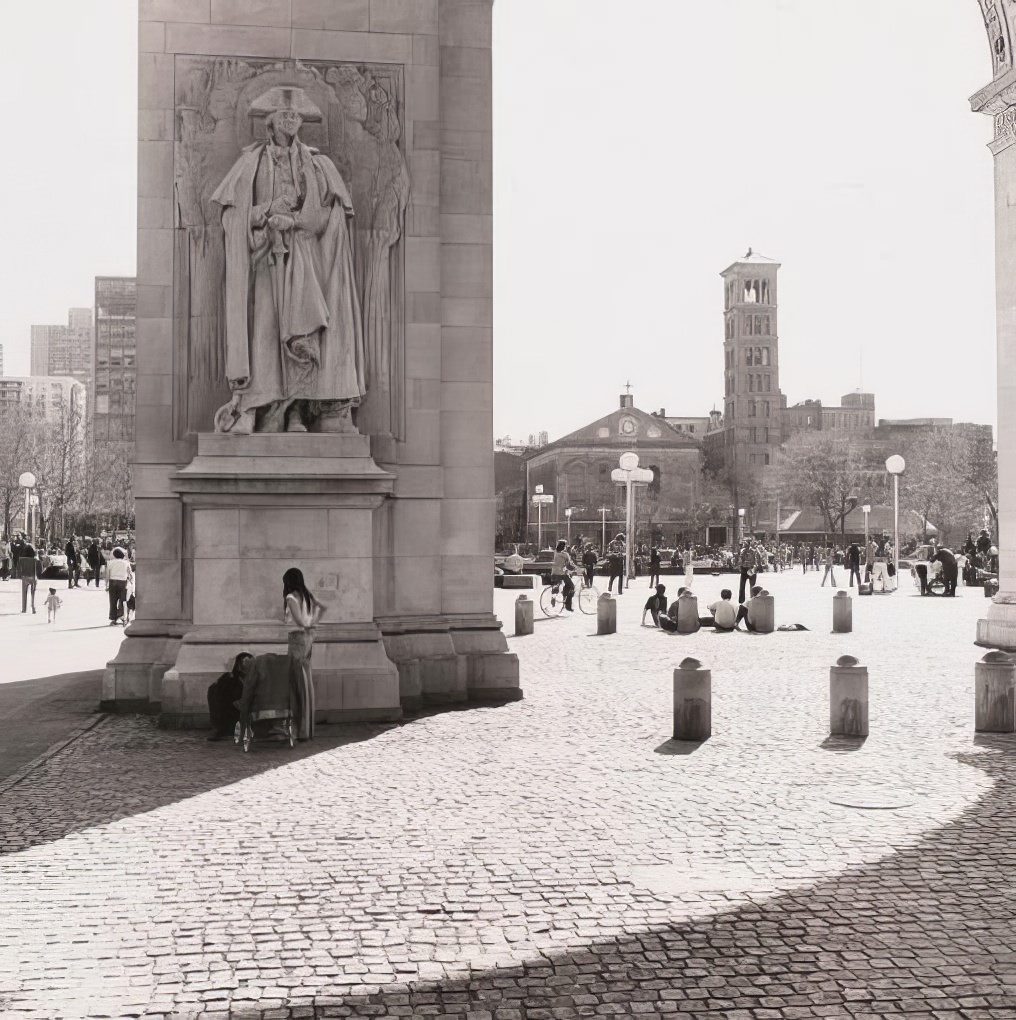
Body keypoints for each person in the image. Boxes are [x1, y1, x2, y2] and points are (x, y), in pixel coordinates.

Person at [212, 89, 366, 435]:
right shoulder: (251, 164)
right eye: (283, 116)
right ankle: (257, 408)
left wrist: (295, 221)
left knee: (305, 337)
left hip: (307, 261)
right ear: (270, 121)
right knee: (266, 332)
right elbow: (233, 217)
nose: (290, 121)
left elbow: (331, 216)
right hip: (266, 257)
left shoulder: (316, 165)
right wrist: (269, 211)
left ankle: (297, 413)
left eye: (295, 116)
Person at [283, 567, 327, 740]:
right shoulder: (307, 596)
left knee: (296, 683)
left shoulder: (291, 597)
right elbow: (321, 610)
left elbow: (299, 621)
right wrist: (312, 624)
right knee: (306, 680)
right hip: (309, 639)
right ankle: (307, 729)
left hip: (297, 639)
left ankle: (299, 728)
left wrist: (303, 624)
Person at [206, 652, 253, 741]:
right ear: (239, 665)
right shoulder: (229, 679)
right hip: (232, 709)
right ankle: (221, 728)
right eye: (246, 664)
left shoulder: (253, 678)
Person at [106, 547, 134, 625]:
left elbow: (107, 575)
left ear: (114, 555)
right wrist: (131, 582)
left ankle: (113, 619)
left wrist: (106, 585)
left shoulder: (110, 563)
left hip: (113, 582)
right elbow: (130, 573)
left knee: (113, 601)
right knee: (123, 600)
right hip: (123, 582)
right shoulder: (126, 563)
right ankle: (123, 617)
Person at [550, 539, 579, 612]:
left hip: (554, 572)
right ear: (564, 546)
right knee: (571, 587)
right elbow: (569, 565)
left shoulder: (555, 553)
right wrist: (575, 569)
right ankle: (567, 605)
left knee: (557, 585)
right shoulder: (565, 554)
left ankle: (554, 596)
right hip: (562, 573)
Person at [17, 544, 40, 614]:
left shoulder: (21, 559)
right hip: (33, 577)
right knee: (33, 594)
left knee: (24, 593)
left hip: (24, 576)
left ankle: (24, 609)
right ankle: (33, 608)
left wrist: (19, 575)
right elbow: (40, 567)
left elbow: (18, 568)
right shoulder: (35, 559)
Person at [737, 539, 757, 604]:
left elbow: (740, 560)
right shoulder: (754, 551)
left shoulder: (743, 551)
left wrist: (740, 566)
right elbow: (757, 560)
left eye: (744, 543)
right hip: (750, 569)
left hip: (745, 569)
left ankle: (742, 601)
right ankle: (753, 599)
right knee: (752, 586)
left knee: (743, 586)